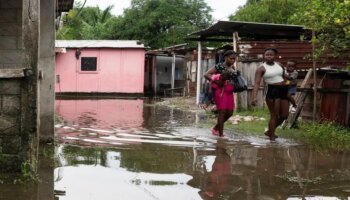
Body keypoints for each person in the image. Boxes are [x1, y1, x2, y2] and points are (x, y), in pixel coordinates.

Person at [251, 48, 289, 141]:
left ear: (275, 56)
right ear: (264, 56)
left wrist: (288, 84)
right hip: (271, 90)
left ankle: (270, 131)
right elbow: (257, 83)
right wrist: (254, 97)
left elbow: (284, 77)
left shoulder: (279, 65)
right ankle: (272, 137)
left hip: (282, 89)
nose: (268, 56)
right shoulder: (261, 68)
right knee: (274, 115)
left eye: (271, 54)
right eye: (267, 55)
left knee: (284, 115)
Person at [204, 50, 237, 137]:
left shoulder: (233, 68)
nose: (233, 60)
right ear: (226, 58)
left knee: (230, 113)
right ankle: (221, 135)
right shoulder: (219, 66)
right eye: (231, 58)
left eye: (234, 59)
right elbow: (206, 74)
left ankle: (215, 128)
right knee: (222, 112)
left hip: (229, 91)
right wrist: (216, 81)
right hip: (219, 91)